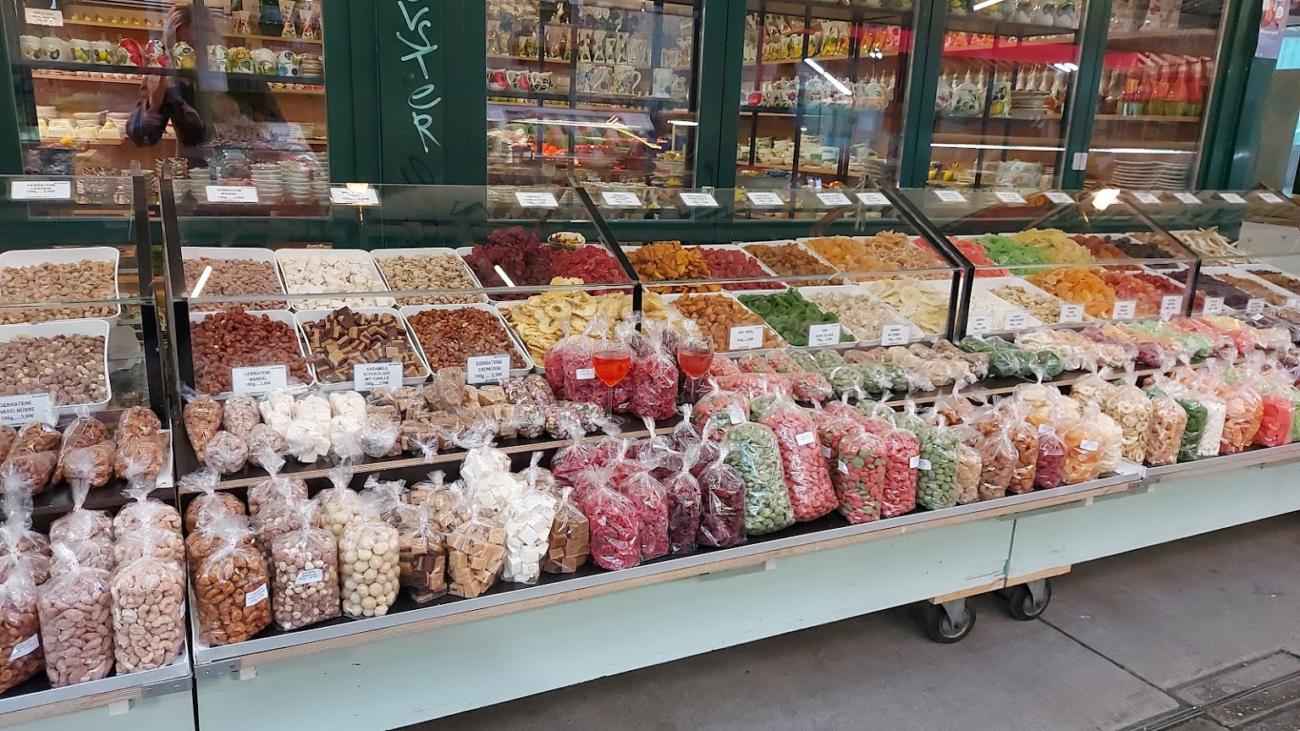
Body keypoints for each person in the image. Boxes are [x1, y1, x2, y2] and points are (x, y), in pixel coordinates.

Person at [127, 3, 288, 163]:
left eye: (197, 47)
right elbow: (142, 136)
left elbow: (280, 129)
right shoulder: (172, 81)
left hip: (245, 169)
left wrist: (244, 124)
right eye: (182, 50)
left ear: (214, 40)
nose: (191, 56)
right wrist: (154, 102)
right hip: (196, 173)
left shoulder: (240, 74)